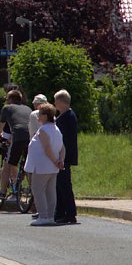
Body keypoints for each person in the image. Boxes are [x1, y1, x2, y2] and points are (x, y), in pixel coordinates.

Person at [24, 102, 65, 226]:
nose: (38, 116)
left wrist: (56, 161)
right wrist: (60, 161)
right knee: (50, 191)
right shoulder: (56, 129)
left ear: (46, 116)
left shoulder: (43, 130)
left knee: (37, 189)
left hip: (43, 166)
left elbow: (47, 148)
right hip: (52, 167)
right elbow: (62, 148)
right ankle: (50, 216)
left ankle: (43, 216)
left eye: (40, 114)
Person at [0, 89, 31, 198]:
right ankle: (33, 190)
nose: (6, 100)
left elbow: (0, 127)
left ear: (10, 99)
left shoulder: (7, 108)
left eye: (7, 98)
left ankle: (3, 191)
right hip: (31, 139)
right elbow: (23, 125)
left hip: (18, 138)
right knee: (28, 165)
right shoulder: (28, 109)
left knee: (7, 164)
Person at [54, 89, 79, 224]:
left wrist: (60, 156)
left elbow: (63, 139)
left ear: (60, 102)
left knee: (63, 184)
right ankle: (61, 211)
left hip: (64, 156)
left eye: (56, 101)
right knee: (60, 184)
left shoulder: (66, 117)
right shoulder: (67, 116)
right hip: (64, 155)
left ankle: (68, 213)